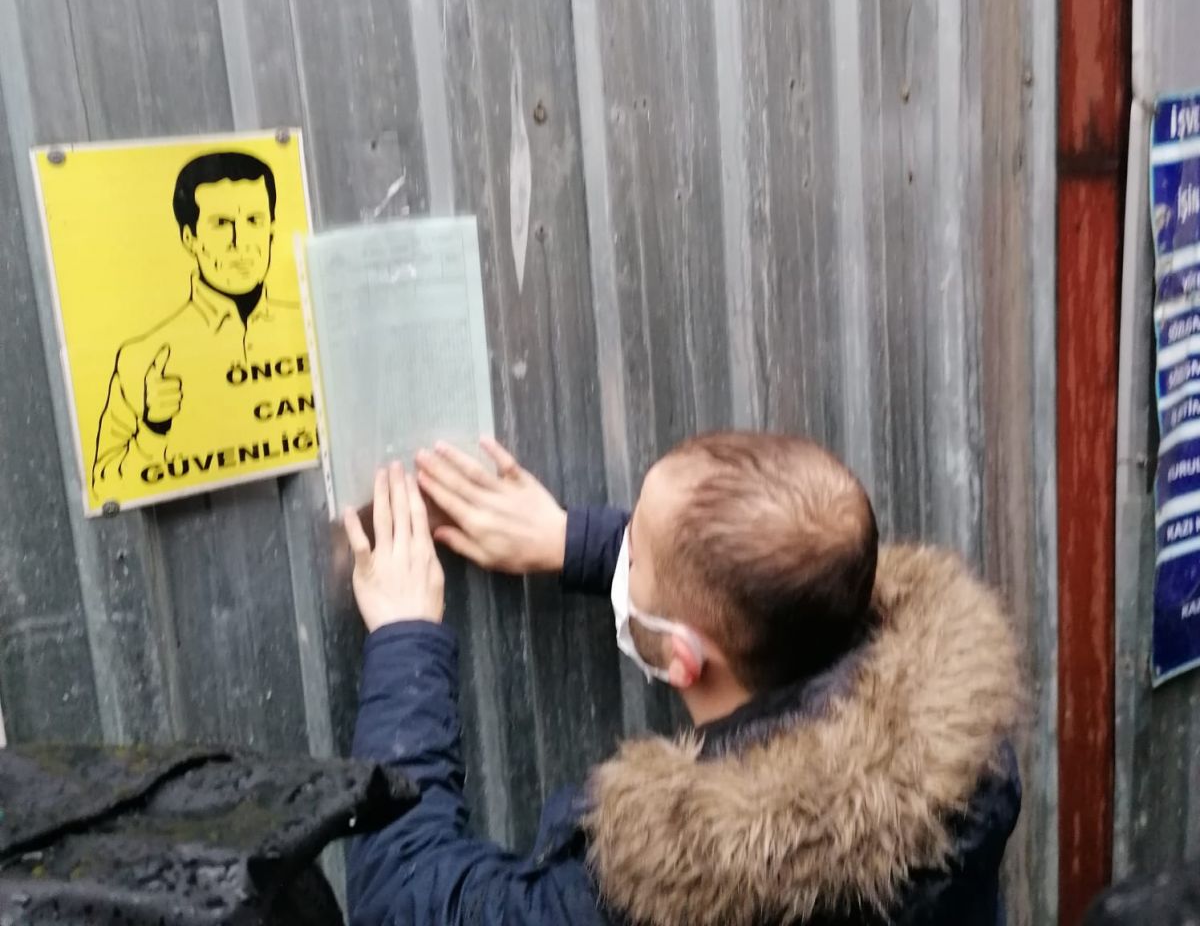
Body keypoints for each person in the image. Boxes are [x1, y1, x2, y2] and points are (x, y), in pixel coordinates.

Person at [344, 432, 1023, 926]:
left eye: (633, 554)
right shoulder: (965, 757)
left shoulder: (670, 890)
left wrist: (407, 641)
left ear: (682, 659)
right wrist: (574, 540)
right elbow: (750, 585)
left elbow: (406, 900)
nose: (624, 554)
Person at [92, 151, 304, 487]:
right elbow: (105, 485)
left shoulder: (309, 327)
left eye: (254, 220)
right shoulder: (145, 356)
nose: (241, 242)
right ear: (189, 239)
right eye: (221, 224)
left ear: (272, 229)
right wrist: (154, 428)